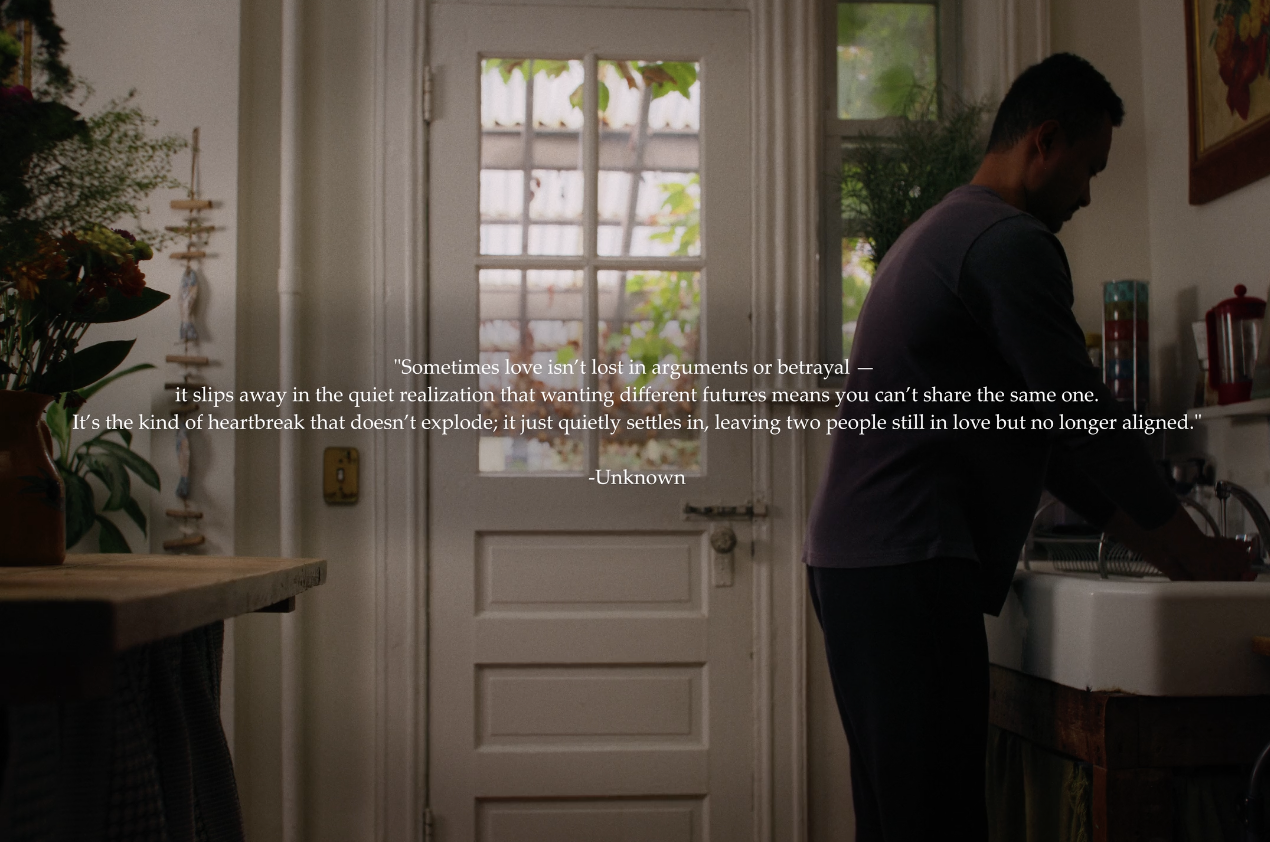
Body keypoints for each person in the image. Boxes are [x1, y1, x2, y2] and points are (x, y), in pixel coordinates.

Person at [802, 53, 1252, 841]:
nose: (1087, 194)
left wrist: (1175, 555)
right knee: (935, 824)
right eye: (1090, 168)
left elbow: (1061, 448)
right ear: (1044, 141)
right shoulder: (1008, 241)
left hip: (866, 566)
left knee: (902, 819)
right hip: (907, 563)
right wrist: (1192, 551)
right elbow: (1085, 419)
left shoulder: (947, 230)